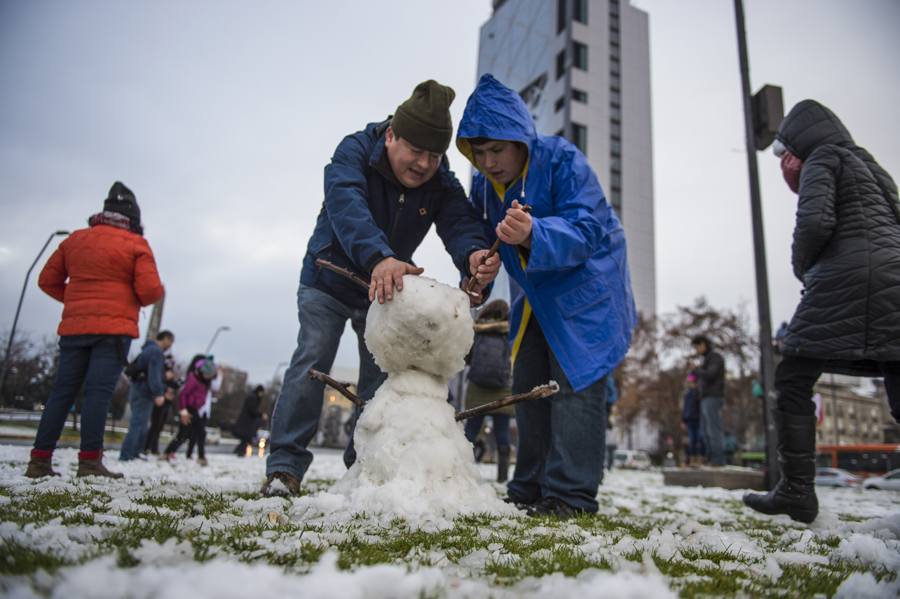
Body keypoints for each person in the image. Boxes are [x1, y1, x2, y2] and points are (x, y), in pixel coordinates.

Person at [262, 80, 500, 495]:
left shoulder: (441, 183)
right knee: (312, 357)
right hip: (328, 278)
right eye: (415, 150)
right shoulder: (353, 151)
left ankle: (364, 473)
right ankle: (284, 467)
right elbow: (346, 204)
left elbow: (460, 223)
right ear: (391, 134)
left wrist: (475, 256)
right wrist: (378, 256)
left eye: (434, 154)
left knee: (377, 382)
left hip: (382, 293)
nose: (424, 164)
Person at [456, 74, 637, 519]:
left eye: (497, 149)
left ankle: (571, 495)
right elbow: (482, 237)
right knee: (529, 386)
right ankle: (531, 486)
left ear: (521, 139)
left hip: (588, 286)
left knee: (574, 383)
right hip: (535, 294)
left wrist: (536, 231)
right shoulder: (484, 187)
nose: (489, 161)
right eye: (478, 153)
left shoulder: (562, 160)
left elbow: (590, 227)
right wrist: (478, 264)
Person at [743, 100, 900, 523]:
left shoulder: (822, 159)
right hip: (896, 280)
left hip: (847, 277)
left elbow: (814, 223)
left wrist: (804, 268)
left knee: (793, 376)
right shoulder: (872, 165)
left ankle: (795, 490)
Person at [25, 182, 164, 479]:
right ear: (133, 218)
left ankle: (39, 460)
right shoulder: (136, 244)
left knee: (61, 392)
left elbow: (47, 280)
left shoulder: (75, 240)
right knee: (98, 394)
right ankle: (89, 462)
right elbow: (151, 292)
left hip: (74, 327)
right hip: (113, 331)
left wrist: (78, 303)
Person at [462, 300, 513, 483]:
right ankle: (502, 476)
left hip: (477, 387)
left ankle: (462, 470)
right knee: (502, 432)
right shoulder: (510, 331)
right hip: (503, 388)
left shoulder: (477, 330)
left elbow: (467, 358)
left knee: (472, 430)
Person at [119, 330, 175, 461]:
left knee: (142, 425)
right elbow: (153, 375)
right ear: (165, 338)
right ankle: (127, 454)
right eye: (171, 342)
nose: (171, 346)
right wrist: (159, 392)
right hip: (144, 392)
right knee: (138, 424)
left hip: (138, 389)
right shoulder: (156, 352)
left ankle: (134, 453)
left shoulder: (148, 349)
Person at [162, 358, 217, 466]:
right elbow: (182, 395)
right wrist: (183, 411)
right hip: (188, 409)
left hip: (196, 410)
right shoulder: (193, 379)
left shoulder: (206, 382)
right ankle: (167, 453)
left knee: (201, 433)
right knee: (183, 434)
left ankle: (201, 457)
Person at [690, 336, 726, 468]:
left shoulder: (715, 357)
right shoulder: (708, 358)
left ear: (703, 344)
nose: (697, 350)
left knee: (713, 429)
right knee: (705, 431)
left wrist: (696, 369)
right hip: (706, 397)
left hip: (713, 396)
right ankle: (711, 458)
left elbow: (711, 374)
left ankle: (718, 460)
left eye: (696, 347)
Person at [145, 357, 179, 455]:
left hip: (167, 404)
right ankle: (148, 447)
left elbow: (174, 386)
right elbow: (157, 384)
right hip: (160, 402)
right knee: (155, 425)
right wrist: (165, 389)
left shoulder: (170, 376)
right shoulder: (161, 374)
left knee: (159, 427)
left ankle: (154, 447)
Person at [233, 385, 267, 457]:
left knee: (245, 439)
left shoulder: (251, 396)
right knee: (246, 438)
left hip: (246, 421)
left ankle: (239, 451)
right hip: (247, 422)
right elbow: (252, 409)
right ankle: (241, 452)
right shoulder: (253, 398)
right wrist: (261, 415)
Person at [680, 374, 704, 467]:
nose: (693, 385)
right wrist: (683, 420)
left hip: (698, 419)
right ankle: (692, 459)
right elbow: (685, 408)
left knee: (700, 439)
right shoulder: (688, 394)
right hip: (689, 420)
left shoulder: (699, 394)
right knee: (692, 440)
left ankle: (701, 458)